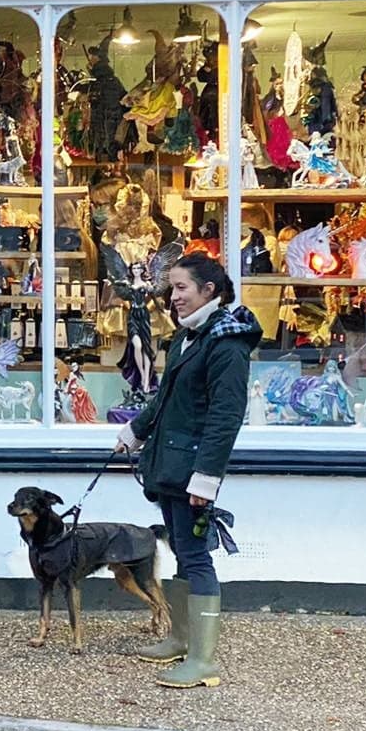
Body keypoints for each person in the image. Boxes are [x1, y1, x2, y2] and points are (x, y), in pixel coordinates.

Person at [113, 253, 261, 689]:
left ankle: (203, 661)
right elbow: (164, 399)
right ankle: (180, 639)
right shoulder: (188, 336)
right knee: (180, 547)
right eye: (172, 287)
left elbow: (225, 417)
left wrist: (207, 478)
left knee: (195, 556)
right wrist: (135, 432)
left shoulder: (227, 344)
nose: (172, 296)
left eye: (181, 288)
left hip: (193, 468)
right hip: (170, 462)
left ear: (209, 291)